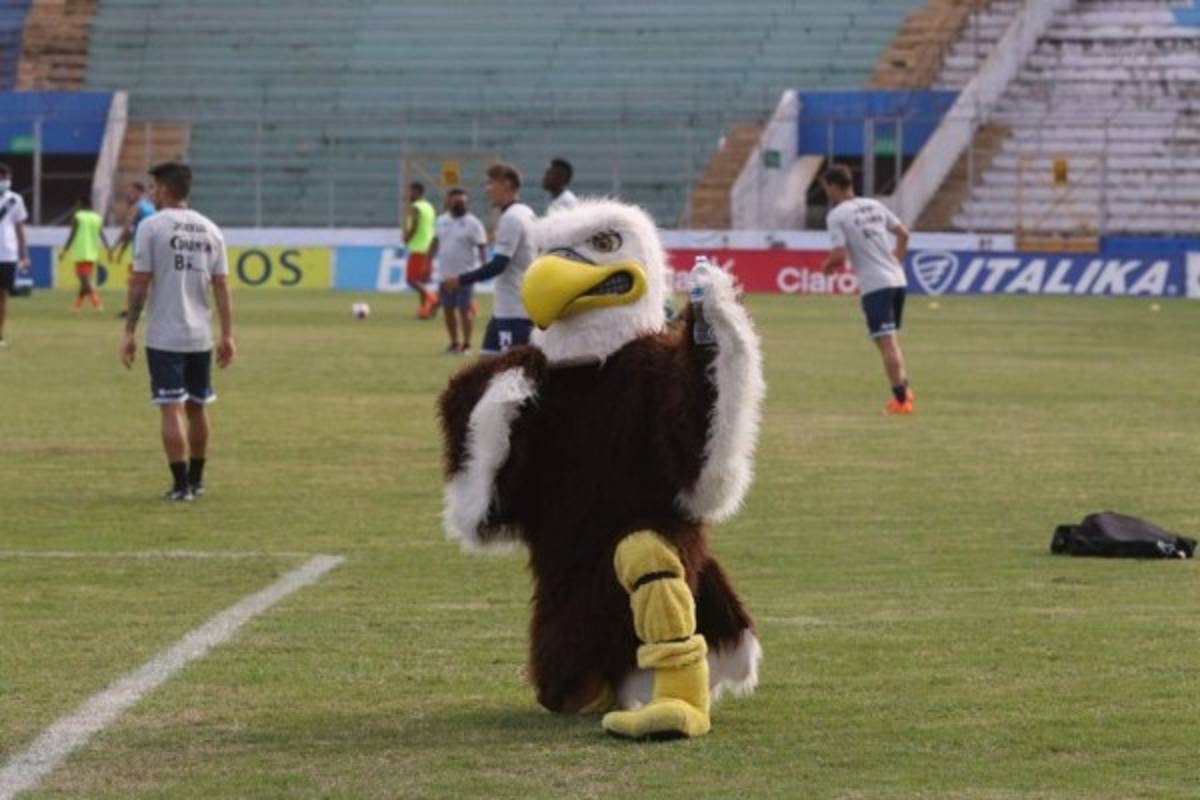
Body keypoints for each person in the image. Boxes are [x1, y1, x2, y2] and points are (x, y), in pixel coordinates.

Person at [120, 162, 235, 501]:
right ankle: (197, 481)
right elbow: (222, 285)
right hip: (200, 334)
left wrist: (128, 331)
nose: (152, 193)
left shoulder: (151, 227)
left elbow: (140, 282)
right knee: (197, 407)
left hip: (164, 334)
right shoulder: (211, 229)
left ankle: (180, 485)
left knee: (171, 407)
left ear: (166, 190)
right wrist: (227, 334)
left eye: (154, 188)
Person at [819, 164, 914, 415]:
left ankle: (901, 400)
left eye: (826, 187)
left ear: (832, 186)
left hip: (876, 285)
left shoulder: (837, 215)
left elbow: (839, 255)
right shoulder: (875, 205)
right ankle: (903, 387)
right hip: (897, 280)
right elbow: (904, 234)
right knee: (888, 341)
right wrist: (896, 260)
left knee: (886, 344)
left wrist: (826, 266)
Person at [440, 162, 536, 356]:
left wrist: (460, 280)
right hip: (504, 310)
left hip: (515, 311)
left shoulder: (511, 219)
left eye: (492, 183)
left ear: (507, 185)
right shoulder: (527, 212)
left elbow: (499, 265)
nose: (487, 189)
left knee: (511, 377)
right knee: (485, 368)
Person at [431, 188, 487, 354]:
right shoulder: (441, 221)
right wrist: (427, 261)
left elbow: (481, 245)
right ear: (449, 202)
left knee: (465, 310)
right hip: (444, 274)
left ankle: (467, 344)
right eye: (456, 201)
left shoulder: (473, 223)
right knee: (448, 310)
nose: (459, 204)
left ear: (466, 202)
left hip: (465, 275)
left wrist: (484, 265)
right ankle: (454, 343)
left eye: (462, 201)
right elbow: (435, 241)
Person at [111, 181, 157, 317]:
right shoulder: (151, 207)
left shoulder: (137, 208)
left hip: (140, 249)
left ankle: (134, 310)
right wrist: (122, 251)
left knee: (135, 281)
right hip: (151, 248)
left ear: (138, 192)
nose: (128, 194)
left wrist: (114, 247)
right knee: (141, 281)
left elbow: (127, 230)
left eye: (131, 192)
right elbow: (132, 231)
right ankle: (134, 308)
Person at [0, 163, 31, 349]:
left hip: (8, 255)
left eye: (6, 178)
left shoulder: (15, 200)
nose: (4, 181)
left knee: (2, 297)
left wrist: (24, 255)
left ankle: (0, 334)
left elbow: (20, 229)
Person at [63, 195, 109, 312]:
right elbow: (101, 234)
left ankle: (97, 303)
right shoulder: (96, 218)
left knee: (84, 279)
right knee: (85, 280)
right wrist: (108, 249)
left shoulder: (78, 216)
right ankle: (76, 306)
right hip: (92, 252)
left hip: (81, 252)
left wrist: (64, 250)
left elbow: (72, 235)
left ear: (80, 204)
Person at [403, 181, 439, 319]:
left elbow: (415, 225)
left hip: (418, 247)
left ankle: (434, 300)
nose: (408, 194)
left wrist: (407, 237)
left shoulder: (415, 207)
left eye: (410, 191)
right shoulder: (429, 206)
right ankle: (425, 311)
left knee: (411, 280)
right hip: (428, 247)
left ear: (417, 192)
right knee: (421, 281)